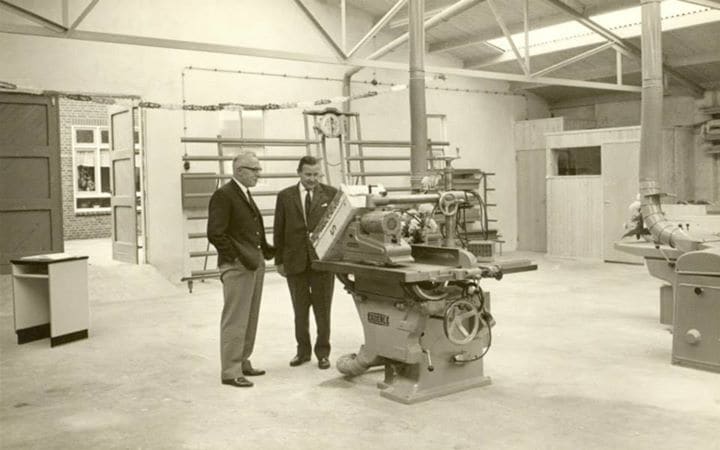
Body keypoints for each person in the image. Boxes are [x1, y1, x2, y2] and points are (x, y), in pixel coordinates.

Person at [207, 152, 274, 388]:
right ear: (238, 171)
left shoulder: (243, 194)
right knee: (235, 318)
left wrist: (267, 250)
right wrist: (235, 258)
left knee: (250, 316)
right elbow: (215, 233)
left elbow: (251, 230)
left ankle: (243, 360)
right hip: (238, 266)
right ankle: (230, 370)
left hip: (253, 263)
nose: (258, 173)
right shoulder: (224, 195)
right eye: (254, 169)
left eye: (258, 169)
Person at [274, 156, 338, 370]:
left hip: (322, 263)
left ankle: (323, 353)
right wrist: (279, 260)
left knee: (323, 310)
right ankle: (302, 352)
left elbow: (337, 228)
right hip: (295, 262)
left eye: (316, 174)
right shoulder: (285, 196)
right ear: (299, 173)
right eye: (308, 174)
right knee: (299, 311)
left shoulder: (331, 194)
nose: (312, 179)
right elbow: (279, 229)